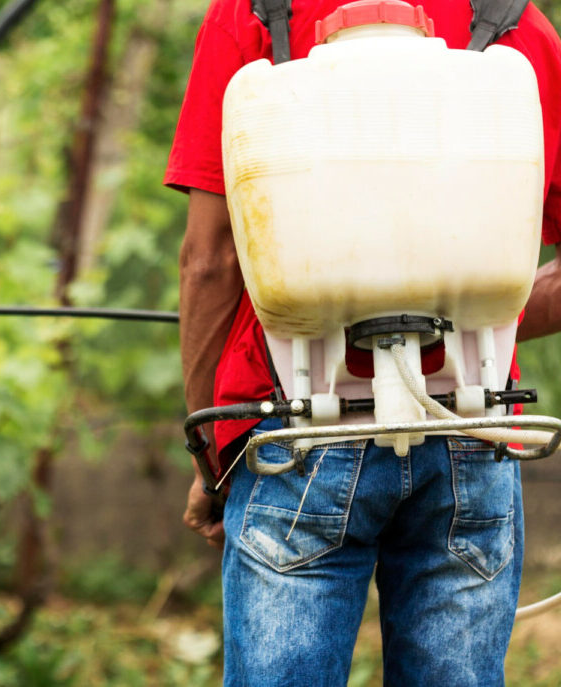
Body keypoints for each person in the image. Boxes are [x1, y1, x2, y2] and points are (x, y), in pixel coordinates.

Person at [165, 1, 561, 684]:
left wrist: (210, 455)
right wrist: (459, 315)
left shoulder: (256, 14)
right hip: (472, 427)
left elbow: (211, 259)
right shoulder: (512, 21)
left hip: (298, 431)